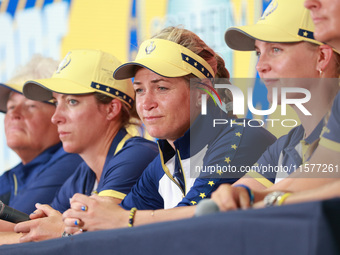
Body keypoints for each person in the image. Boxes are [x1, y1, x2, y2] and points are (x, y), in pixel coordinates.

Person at [60, 26, 276, 234]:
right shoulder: (161, 165)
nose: (146, 104)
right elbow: (111, 229)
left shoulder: (240, 138)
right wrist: (69, 226)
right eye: (140, 90)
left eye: (161, 88)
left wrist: (121, 220)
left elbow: (191, 219)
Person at [7, 49, 159, 243]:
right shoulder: (84, 173)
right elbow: (38, 233)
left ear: (111, 109)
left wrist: (57, 230)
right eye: (56, 102)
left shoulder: (137, 155)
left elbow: (93, 234)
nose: (56, 117)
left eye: (71, 101)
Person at [209, 0, 340, 211]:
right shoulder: (284, 146)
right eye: (258, 52)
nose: (260, 66)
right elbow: (224, 207)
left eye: (276, 49)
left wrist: (263, 199)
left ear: (322, 57)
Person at [0, 55, 83, 233]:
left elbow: (17, 229)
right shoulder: (13, 175)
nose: (14, 114)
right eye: (11, 106)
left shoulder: (72, 159)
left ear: (59, 114)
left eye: (30, 105)